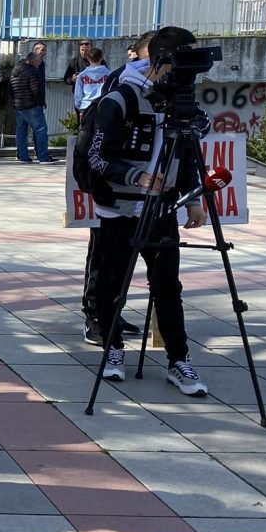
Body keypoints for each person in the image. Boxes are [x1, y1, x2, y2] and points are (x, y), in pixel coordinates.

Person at [86, 26, 207, 395]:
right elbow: (96, 157)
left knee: (168, 287)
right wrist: (137, 176)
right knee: (111, 284)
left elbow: (186, 151)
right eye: (184, 58)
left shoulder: (181, 101)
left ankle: (179, 360)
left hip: (161, 211)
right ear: (163, 59)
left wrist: (194, 197)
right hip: (119, 208)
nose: (190, 68)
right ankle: (112, 348)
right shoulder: (120, 97)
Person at [82, 33, 151, 344]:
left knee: (124, 261)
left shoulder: (164, 89)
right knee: (104, 257)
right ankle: (96, 316)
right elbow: (98, 144)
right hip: (113, 188)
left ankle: (112, 311)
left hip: (148, 196)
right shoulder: (120, 84)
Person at [10, 43, 55, 164]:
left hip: (19, 106)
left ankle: (23, 156)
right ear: (34, 59)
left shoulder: (16, 70)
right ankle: (43, 157)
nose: (42, 55)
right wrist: (41, 102)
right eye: (40, 51)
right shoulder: (33, 71)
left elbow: (10, 89)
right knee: (41, 129)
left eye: (44, 50)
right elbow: (36, 89)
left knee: (21, 131)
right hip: (32, 105)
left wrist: (15, 101)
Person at [73, 47, 111, 118]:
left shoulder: (82, 75)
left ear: (88, 58)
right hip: (103, 106)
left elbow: (78, 94)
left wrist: (78, 106)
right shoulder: (109, 75)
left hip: (86, 106)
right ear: (101, 58)